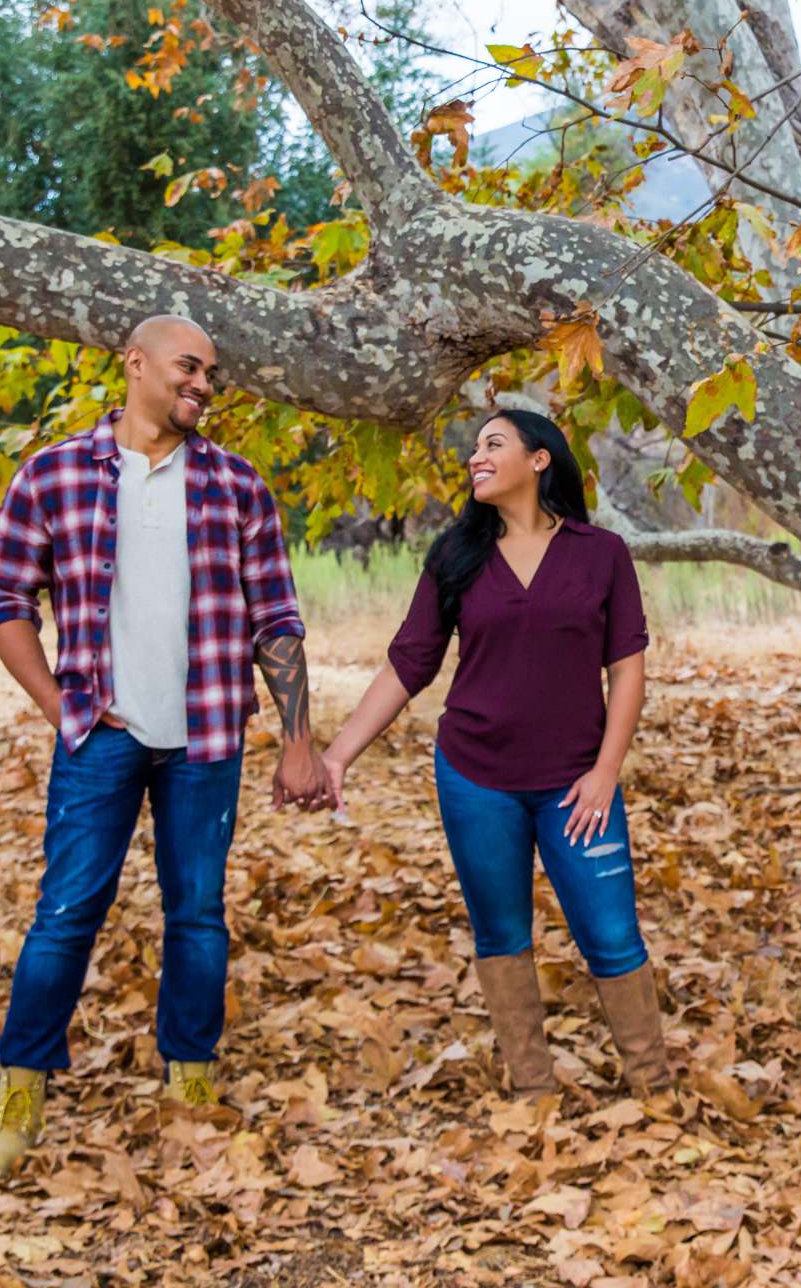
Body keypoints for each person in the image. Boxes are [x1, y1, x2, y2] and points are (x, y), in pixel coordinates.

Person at [0, 315, 329, 1178]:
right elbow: (3, 601)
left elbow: (276, 619)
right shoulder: (53, 475)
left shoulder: (238, 485)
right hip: (102, 737)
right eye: (188, 367)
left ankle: (190, 1080)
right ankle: (21, 1090)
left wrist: (300, 740)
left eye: (212, 374)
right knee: (66, 913)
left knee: (197, 913)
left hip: (207, 737)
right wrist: (63, 708)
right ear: (135, 365)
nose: (203, 384)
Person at [316, 409, 668, 1100]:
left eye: (493, 444)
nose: (476, 456)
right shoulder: (457, 555)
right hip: (477, 777)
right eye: (474, 447)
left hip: (577, 783)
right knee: (502, 931)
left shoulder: (600, 553)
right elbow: (407, 665)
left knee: (612, 934)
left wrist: (605, 773)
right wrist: (338, 755)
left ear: (540, 460)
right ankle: (535, 1093)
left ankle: (656, 1093)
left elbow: (626, 668)